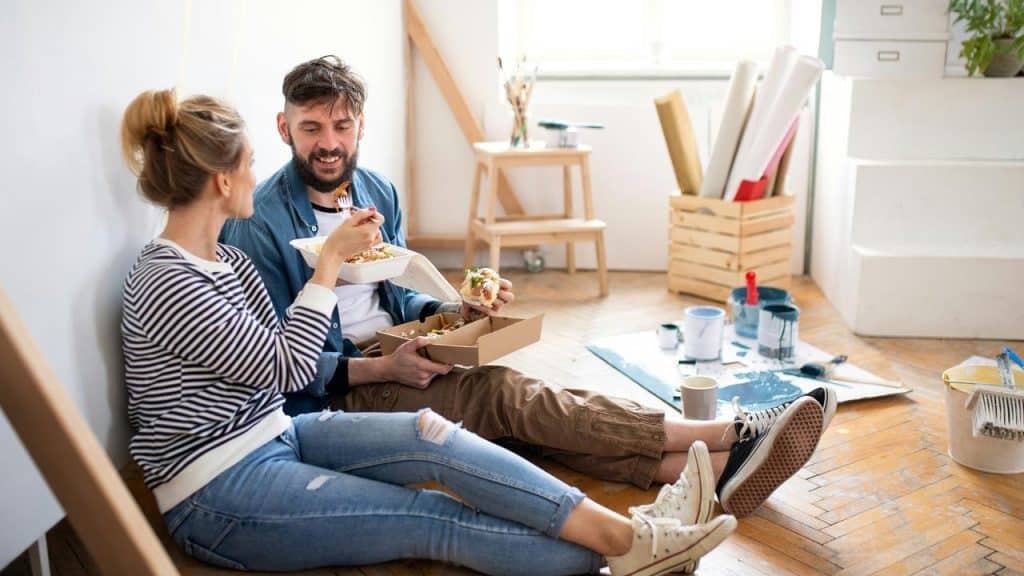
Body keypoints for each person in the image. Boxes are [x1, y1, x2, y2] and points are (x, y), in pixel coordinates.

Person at [119, 87, 750, 575]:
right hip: (216, 490)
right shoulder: (167, 280)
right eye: (250, 163)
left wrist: (446, 309)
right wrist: (333, 260)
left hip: (275, 435)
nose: (258, 174)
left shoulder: (222, 262)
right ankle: (632, 544)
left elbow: (284, 352)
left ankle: (642, 537)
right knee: (430, 517)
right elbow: (287, 368)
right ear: (223, 181)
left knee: (433, 435)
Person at [220, 55, 835, 516]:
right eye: (311, 128)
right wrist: (385, 370)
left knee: (525, 421)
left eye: (342, 126)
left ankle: (711, 475)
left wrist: (455, 310)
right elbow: (285, 364)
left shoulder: (378, 192)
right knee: (507, 398)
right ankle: (735, 433)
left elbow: (400, 294)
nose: (329, 144)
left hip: (404, 355)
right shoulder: (262, 222)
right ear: (283, 127)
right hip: (341, 396)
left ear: (360, 126)